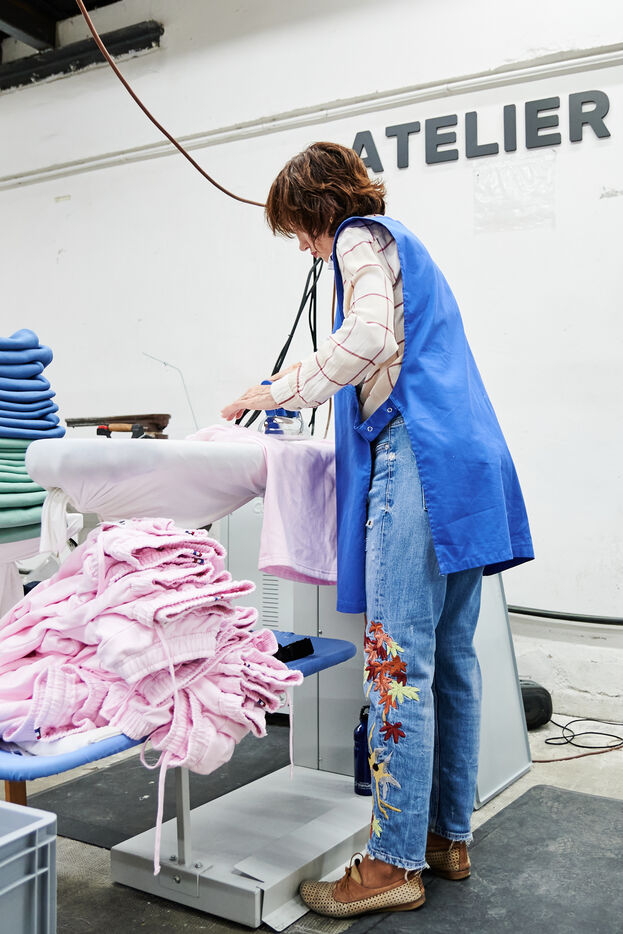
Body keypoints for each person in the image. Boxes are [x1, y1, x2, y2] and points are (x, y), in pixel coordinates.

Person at [221, 142, 534, 918]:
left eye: (300, 230)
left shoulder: (358, 238)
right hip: (466, 461)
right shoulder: (408, 249)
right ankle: (443, 838)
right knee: (449, 662)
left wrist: (275, 390)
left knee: (396, 663)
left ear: (320, 209)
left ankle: (391, 863)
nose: (304, 248)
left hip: (417, 456)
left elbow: (366, 340)